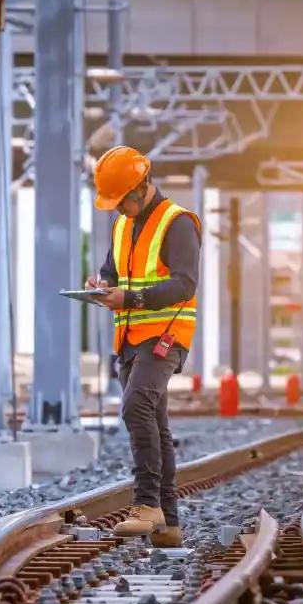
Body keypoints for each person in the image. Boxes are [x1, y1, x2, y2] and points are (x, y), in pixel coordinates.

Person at [87, 146, 201, 548]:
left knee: (136, 406)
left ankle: (146, 503)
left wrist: (130, 300)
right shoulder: (122, 225)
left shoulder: (178, 223)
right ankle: (169, 523)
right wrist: (100, 285)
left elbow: (185, 283)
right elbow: (112, 270)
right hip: (130, 338)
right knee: (155, 420)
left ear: (141, 186)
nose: (119, 210)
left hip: (165, 336)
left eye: (122, 201)